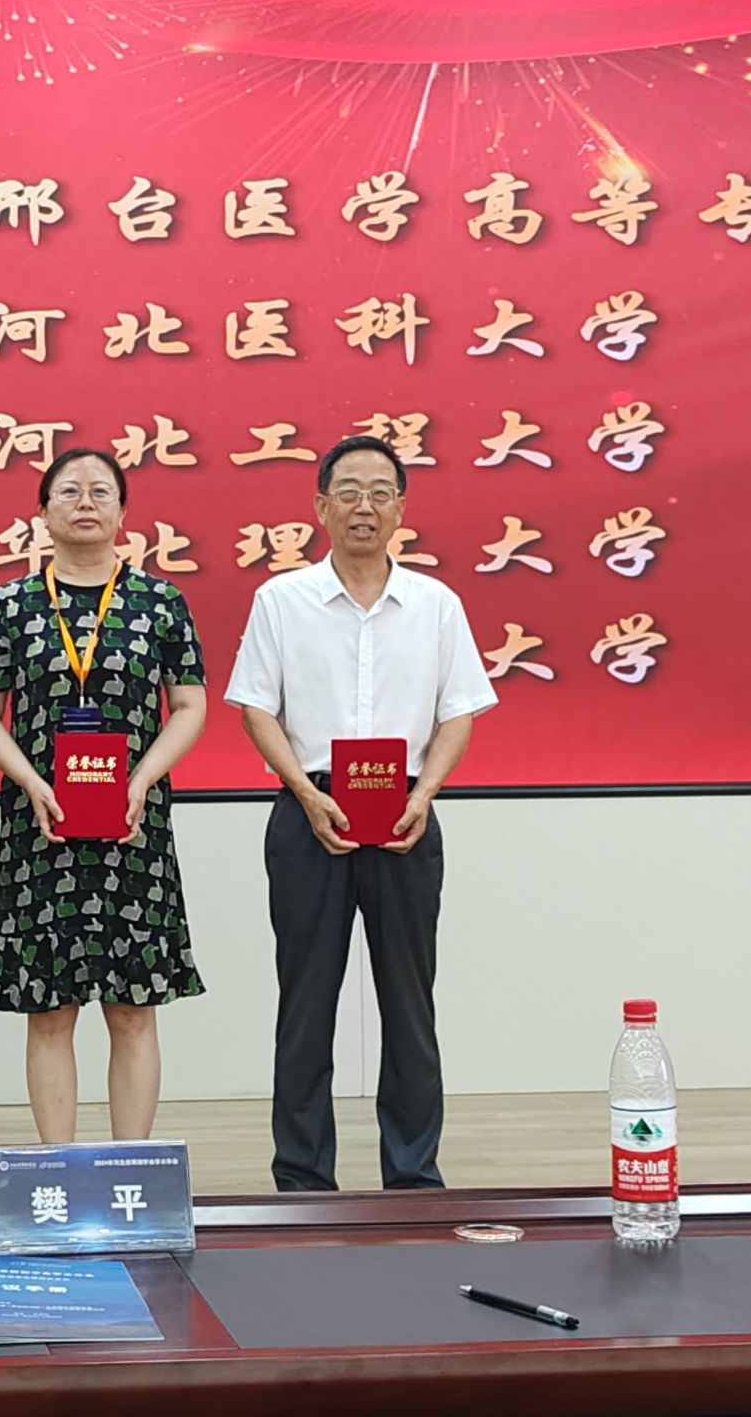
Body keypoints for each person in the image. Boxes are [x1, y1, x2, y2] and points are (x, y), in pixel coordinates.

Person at [225, 434, 498, 1192]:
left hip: (406, 815)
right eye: (348, 491)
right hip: (308, 812)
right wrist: (305, 793)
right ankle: (302, 1179)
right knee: (305, 1005)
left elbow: (458, 713)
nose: (364, 506)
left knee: (409, 1004)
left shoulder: (436, 605)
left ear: (402, 508)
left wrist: (424, 794)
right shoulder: (281, 600)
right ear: (320, 507)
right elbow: (256, 708)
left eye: (381, 492)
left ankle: (412, 1176)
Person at [0, 448, 208, 1144]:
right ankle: (59, 1168)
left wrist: (142, 779)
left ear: (123, 512)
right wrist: (32, 781)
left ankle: (131, 1166)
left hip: (134, 823)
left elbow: (189, 705)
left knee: (133, 1008)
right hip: (41, 824)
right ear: (42, 513)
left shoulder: (159, 601)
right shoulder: (11, 604)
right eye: (68, 491)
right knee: (50, 1008)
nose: (85, 503)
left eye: (101, 491)